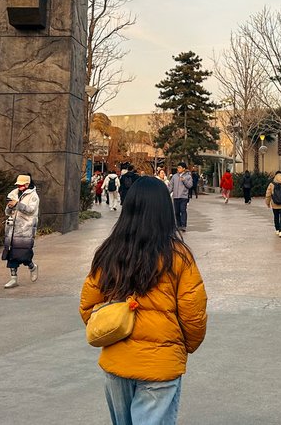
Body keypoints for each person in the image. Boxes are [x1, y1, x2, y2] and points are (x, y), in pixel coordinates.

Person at [80, 177, 207, 425]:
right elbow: (194, 314)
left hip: (117, 360)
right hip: (160, 365)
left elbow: (88, 306)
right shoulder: (179, 256)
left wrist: (111, 328)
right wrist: (181, 347)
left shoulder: (110, 252)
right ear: (165, 210)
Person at [2, 173, 40, 287]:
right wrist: (9, 207)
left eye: (21, 185)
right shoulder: (13, 194)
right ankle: (13, 278)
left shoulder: (33, 196)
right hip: (12, 227)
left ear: (27, 184)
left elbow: (31, 210)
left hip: (25, 227)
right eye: (18, 185)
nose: (19, 187)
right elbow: (7, 212)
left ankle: (32, 266)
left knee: (23, 253)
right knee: (11, 253)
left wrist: (18, 204)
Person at [171, 163, 193, 232]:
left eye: (180, 168)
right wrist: (166, 192)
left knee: (183, 210)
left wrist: (184, 180)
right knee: (176, 212)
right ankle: (178, 225)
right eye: (178, 167)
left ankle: (183, 226)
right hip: (176, 197)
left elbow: (190, 186)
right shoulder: (174, 176)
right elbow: (171, 186)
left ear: (184, 168)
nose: (178, 169)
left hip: (184, 197)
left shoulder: (188, 176)